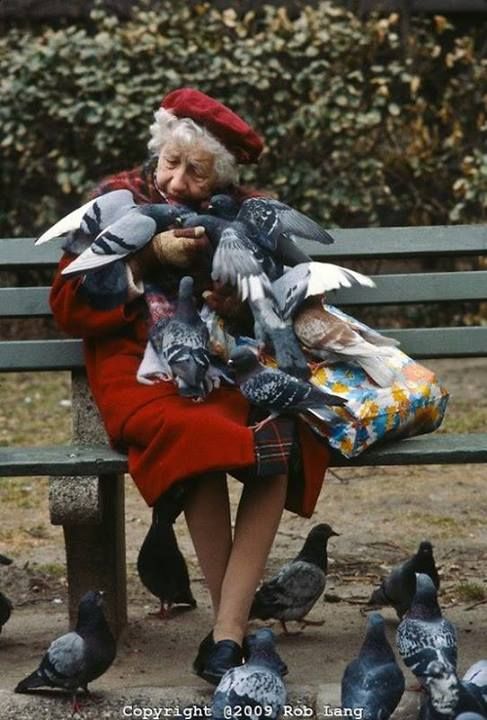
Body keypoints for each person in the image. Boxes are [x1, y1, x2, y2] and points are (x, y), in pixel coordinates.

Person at [49, 88, 330, 684]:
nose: (175, 182)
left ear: (220, 177)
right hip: (139, 370)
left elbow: (286, 303)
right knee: (197, 431)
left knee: (275, 432)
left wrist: (237, 300)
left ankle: (225, 634)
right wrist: (145, 257)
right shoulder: (116, 198)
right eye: (170, 163)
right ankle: (236, 630)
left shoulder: (243, 213)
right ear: (156, 152)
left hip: (226, 362)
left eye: (195, 171)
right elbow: (69, 304)